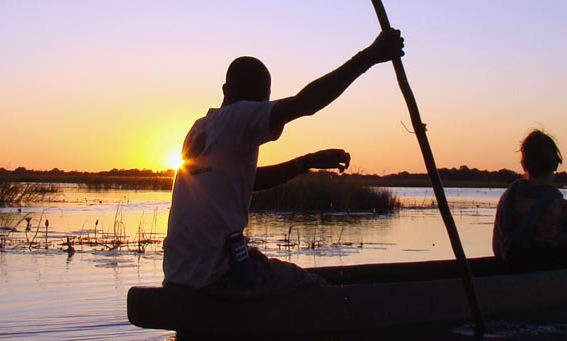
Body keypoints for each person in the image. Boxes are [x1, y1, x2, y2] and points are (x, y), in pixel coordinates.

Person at [162, 30, 405, 298]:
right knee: (314, 288)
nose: (265, 105)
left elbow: (247, 181)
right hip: (217, 277)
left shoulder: (200, 130)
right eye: (264, 97)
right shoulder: (241, 116)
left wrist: (306, 162)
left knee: (272, 269)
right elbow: (305, 104)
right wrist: (368, 57)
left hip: (178, 276)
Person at [492, 129, 567, 271]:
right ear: (555, 164)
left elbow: (497, 249)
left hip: (513, 273)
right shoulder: (562, 208)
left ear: (524, 164)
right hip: (549, 281)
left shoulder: (507, 200)